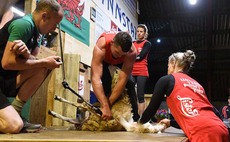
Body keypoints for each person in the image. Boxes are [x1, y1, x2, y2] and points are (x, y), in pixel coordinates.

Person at [0, 0, 63, 134]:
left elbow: (33, 59)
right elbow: (6, 63)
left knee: (42, 67)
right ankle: (15, 119)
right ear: (44, 16)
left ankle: (16, 111)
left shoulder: (38, 33)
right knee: (13, 126)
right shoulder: (24, 25)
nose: (55, 28)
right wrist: (44, 61)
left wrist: (27, 54)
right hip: (4, 74)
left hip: (4, 80)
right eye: (55, 24)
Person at [138, 50, 229, 142]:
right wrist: (171, 123)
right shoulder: (196, 84)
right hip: (222, 130)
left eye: (168, 66)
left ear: (173, 63)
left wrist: (139, 124)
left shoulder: (166, 80)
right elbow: (214, 112)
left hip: (204, 134)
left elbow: (151, 110)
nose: (167, 69)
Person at [91, 31, 140, 121]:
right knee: (105, 83)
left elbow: (123, 79)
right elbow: (95, 78)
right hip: (105, 60)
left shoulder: (131, 52)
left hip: (122, 63)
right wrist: (105, 105)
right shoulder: (101, 46)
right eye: (117, 52)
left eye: (122, 54)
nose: (119, 56)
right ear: (112, 43)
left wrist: (109, 104)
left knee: (130, 84)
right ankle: (101, 111)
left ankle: (135, 118)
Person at [132, 24, 151, 116]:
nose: (139, 33)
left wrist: (132, 57)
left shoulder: (147, 43)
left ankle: (141, 118)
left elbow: (141, 56)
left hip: (142, 71)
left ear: (145, 33)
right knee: (131, 94)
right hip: (132, 70)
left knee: (140, 95)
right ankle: (134, 116)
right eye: (138, 31)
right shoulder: (132, 43)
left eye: (141, 31)